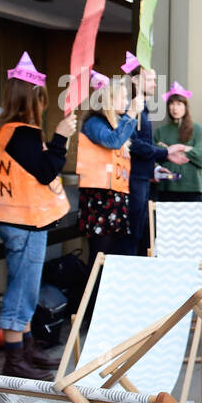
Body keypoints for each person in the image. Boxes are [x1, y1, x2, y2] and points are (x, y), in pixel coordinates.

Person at [0, 54, 76, 378]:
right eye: (42, 97)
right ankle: (16, 360)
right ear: (33, 98)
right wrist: (62, 136)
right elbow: (45, 171)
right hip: (24, 221)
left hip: (13, 218)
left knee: (24, 285)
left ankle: (26, 350)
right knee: (22, 290)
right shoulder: (21, 132)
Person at [122, 66, 189, 254]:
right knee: (133, 234)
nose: (154, 83)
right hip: (134, 179)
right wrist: (165, 152)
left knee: (141, 233)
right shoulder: (132, 108)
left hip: (143, 178)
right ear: (135, 81)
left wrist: (154, 169)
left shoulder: (143, 108)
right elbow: (133, 144)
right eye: (150, 79)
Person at [77, 73, 139, 266]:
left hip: (113, 198)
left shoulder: (112, 123)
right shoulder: (94, 123)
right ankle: (90, 296)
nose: (127, 101)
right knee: (99, 257)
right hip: (99, 200)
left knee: (111, 257)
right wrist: (131, 115)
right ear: (108, 100)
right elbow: (112, 141)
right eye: (122, 97)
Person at [153, 83, 202, 202]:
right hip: (167, 188)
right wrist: (170, 153)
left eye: (179, 104)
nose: (174, 108)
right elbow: (154, 155)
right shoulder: (160, 131)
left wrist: (178, 148)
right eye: (171, 104)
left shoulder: (198, 129)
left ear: (185, 106)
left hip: (192, 188)